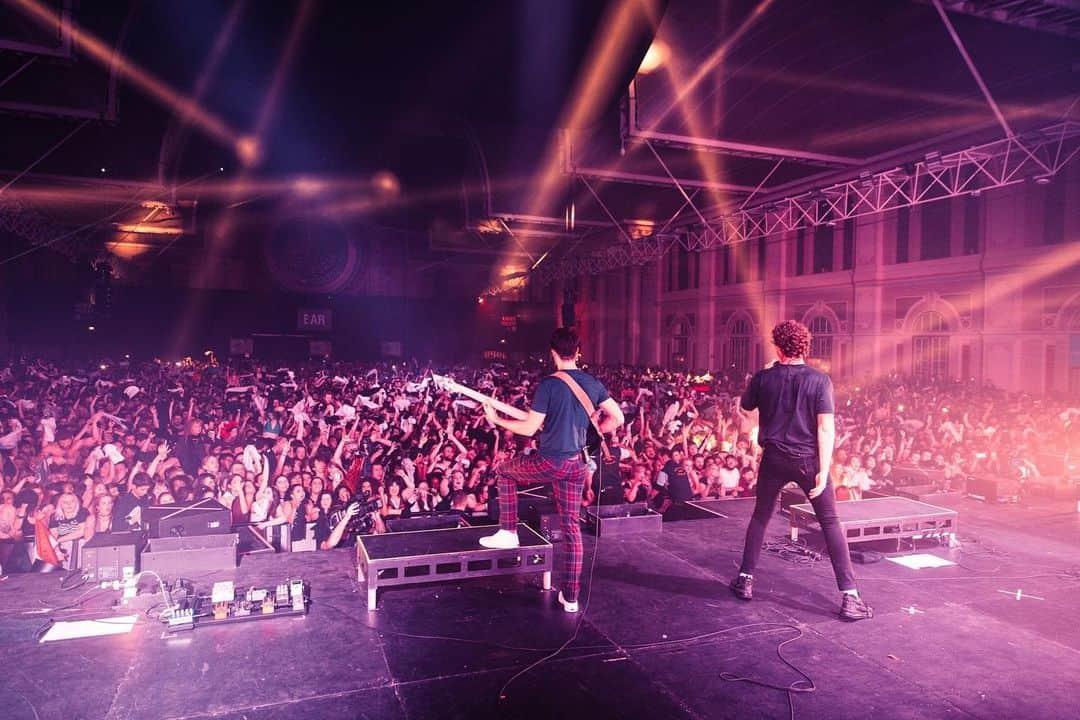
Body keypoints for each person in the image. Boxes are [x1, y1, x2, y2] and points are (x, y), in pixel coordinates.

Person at [730, 320, 872, 621]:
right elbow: (825, 428)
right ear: (805, 346)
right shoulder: (820, 380)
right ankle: (850, 597)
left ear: (778, 347)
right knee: (830, 522)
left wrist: (770, 373)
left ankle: (744, 580)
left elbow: (745, 407)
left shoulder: (763, 377)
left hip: (774, 458)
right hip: (808, 459)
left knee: (760, 517)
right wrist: (824, 468)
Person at [478, 328, 624, 613]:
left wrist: (497, 419)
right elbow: (617, 417)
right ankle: (570, 598)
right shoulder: (592, 383)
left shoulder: (549, 384)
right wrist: (593, 435)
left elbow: (530, 428)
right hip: (577, 465)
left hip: (551, 461)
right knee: (571, 529)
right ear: (578, 352)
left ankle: (508, 531)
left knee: (504, 472)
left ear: (553, 353)